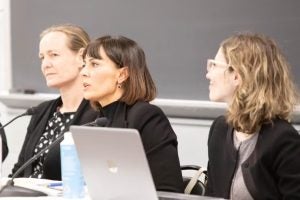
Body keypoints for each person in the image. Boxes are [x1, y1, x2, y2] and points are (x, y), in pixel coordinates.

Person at [80, 35, 184, 193]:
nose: (84, 72)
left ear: (122, 75)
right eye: (83, 65)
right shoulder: (90, 119)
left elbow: (168, 190)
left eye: (94, 64)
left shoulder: (147, 117)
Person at [205, 32, 300, 199]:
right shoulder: (219, 129)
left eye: (214, 65)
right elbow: (211, 195)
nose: (208, 74)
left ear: (236, 75)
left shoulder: (284, 140)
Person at [10, 24, 98, 180]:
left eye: (54, 55)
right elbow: (19, 170)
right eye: (42, 57)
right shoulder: (41, 111)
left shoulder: (100, 114)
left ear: (81, 57)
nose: (46, 64)